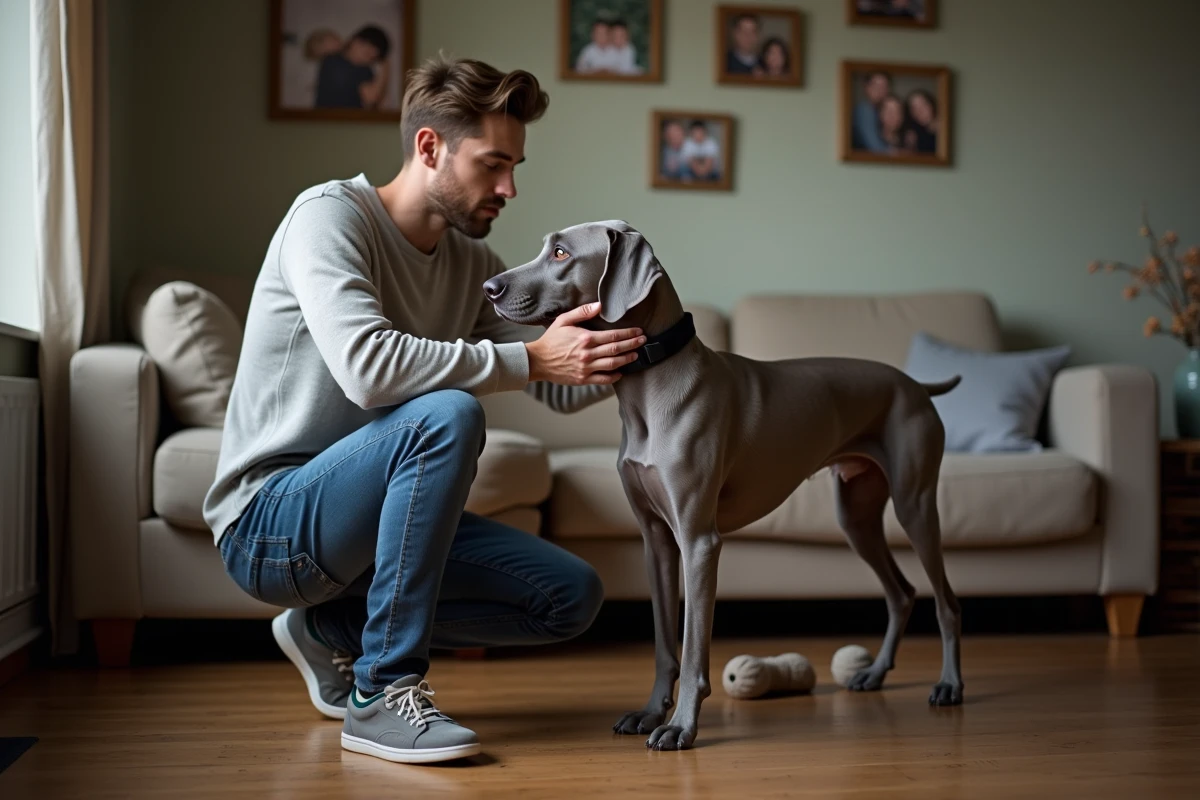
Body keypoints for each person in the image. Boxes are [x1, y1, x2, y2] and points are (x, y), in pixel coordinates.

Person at [204, 57, 646, 765]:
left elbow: (554, 383)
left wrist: (642, 348)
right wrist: (534, 358)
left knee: (568, 596)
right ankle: (382, 693)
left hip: (369, 522)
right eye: (493, 164)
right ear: (430, 147)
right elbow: (368, 369)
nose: (509, 188)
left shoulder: (470, 264)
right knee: (448, 414)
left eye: (515, 167)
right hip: (271, 525)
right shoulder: (328, 217)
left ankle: (326, 631)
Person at [314, 24, 391, 109]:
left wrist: (385, 69)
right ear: (355, 41)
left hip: (352, 117)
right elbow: (371, 98)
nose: (366, 58)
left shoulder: (366, 70)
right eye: (367, 52)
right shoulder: (331, 61)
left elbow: (373, 103)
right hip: (325, 116)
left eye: (372, 57)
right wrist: (386, 67)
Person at [851, 70, 893, 154]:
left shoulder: (879, 111)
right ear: (866, 87)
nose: (880, 90)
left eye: (884, 86)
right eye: (876, 86)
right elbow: (875, 147)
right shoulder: (864, 110)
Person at [903, 89, 938, 154]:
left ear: (932, 105)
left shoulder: (945, 129)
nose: (919, 111)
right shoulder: (914, 132)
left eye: (923, 105)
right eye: (914, 108)